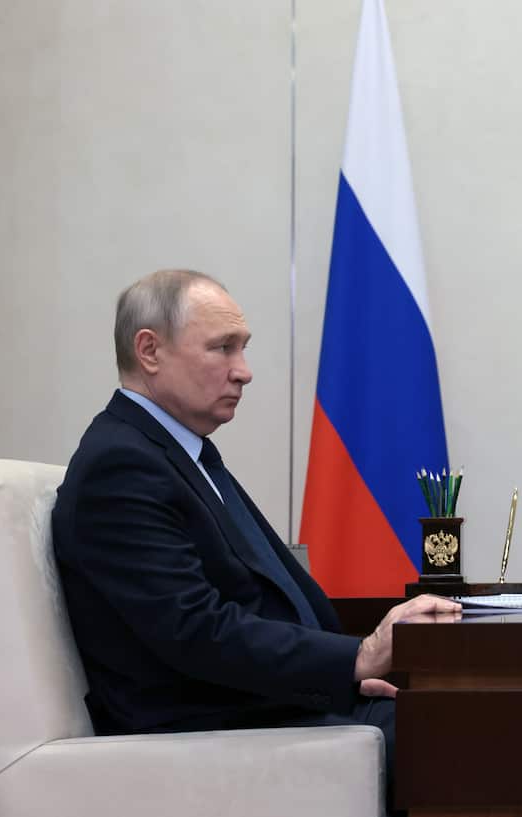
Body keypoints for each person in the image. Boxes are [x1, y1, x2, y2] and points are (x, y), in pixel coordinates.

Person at [52, 268, 460, 803]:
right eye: (222, 348)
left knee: (463, 718)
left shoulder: (178, 451)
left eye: (242, 348)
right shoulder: (122, 466)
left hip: (253, 703)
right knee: (459, 738)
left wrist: (344, 671)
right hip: (201, 729)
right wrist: (355, 657)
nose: (243, 372)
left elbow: (251, 601)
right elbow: (195, 629)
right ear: (149, 351)